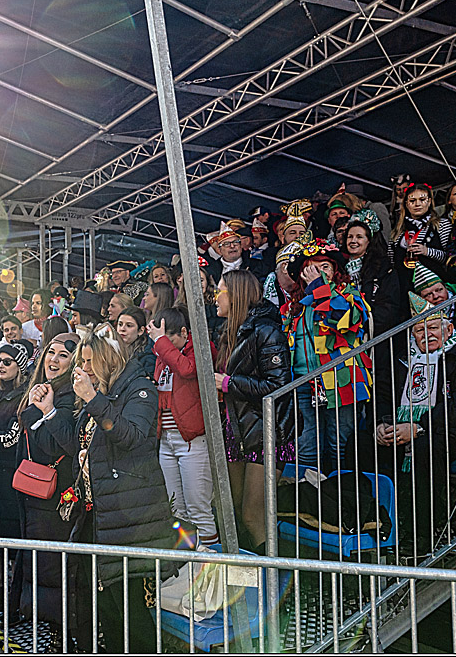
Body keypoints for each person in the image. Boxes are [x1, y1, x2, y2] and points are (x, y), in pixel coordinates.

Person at [68, 328, 176, 653]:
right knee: (111, 614)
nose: (85, 368)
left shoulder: (140, 388)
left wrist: (92, 399)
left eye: (91, 361)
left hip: (132, 524)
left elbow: (130, 436)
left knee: (134, 618)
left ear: (110, 359)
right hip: (100, 519)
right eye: (83, 362)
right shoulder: (102, 393)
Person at [357, 292, 456, 552]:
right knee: (360, 444)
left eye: (432, 327)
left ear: (448, 328)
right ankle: (372, 523)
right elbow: (383, 396)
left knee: (426, 446)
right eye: (419, 330)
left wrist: (419, 427)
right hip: (404, 431)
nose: (426, 335)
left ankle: (425, 532)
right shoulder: (403, 361)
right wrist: (379, 425)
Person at [211, 271, 293, 554]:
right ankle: (249, 581)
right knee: (230, 509)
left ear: (236, 296)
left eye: (219, 291)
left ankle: (277, 581)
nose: (214, 297)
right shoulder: (229, 331)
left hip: (266, 432)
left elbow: (279, 384)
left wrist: (229, 383)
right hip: (238, 430)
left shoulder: (266, 330)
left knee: (251, 514)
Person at [283, 236, 372, 471]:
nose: (318, 272)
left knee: (339, 445)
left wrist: (318, 287)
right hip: (302, 382)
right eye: (311, 268)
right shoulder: (294, 306)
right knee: (307, 447)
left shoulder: (349, 294)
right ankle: (311, 501)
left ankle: (344, 500)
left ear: (335, 271)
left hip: (342, 378)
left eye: (325, 267)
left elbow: (340, 321)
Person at [15, 333, 80, 629]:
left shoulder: (69, 395)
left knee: (53, 566)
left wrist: (34, 412)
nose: (53, 360)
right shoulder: (44, 388)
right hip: (35, 492)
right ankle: (44, 623)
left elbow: (56, 445)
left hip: (57, 495)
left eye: (62, 355)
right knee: (39, 562)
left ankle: (59, 630)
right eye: (50, 353)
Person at [147, 306, 219, 547]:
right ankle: (189, 567)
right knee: (176, 509)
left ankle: (212, 570)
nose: (163, 345)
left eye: (169, 339)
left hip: (192, 441)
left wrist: (160, 342)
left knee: (198, 508)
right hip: (167, 440)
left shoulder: (201, 348)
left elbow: (188, 369)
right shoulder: (164, 354)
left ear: (185, 332)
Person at [0, 339, 33, 604]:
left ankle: (14, 595)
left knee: (12, 538)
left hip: (11, 477)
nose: (0, 366)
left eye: (7, 361)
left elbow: (10, 438)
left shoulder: (24, 396)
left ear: (20, 366)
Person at [345, 214, 404, 335]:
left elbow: (389, 307)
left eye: (359, 237)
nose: (353, 241)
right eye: (349, 237)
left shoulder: (383, 269)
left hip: (372, 337)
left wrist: (362, 325)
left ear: (369, 241)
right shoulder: (339, 267)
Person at [391, 183, 453, 292]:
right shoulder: (398, 231)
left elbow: (448, 258)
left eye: (422, 199)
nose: (417, 204)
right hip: (404, 289)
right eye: (412, 201)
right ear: (406, 204)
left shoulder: (442, 224)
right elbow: (391, 261)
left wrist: (426, 251)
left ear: (429, 202)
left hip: (434, 288)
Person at [116, 305, 155, 379]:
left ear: (141, 331)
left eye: (129, 325)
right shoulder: (111, 348)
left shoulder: (148, 354)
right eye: (120, 324)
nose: (122, 329)